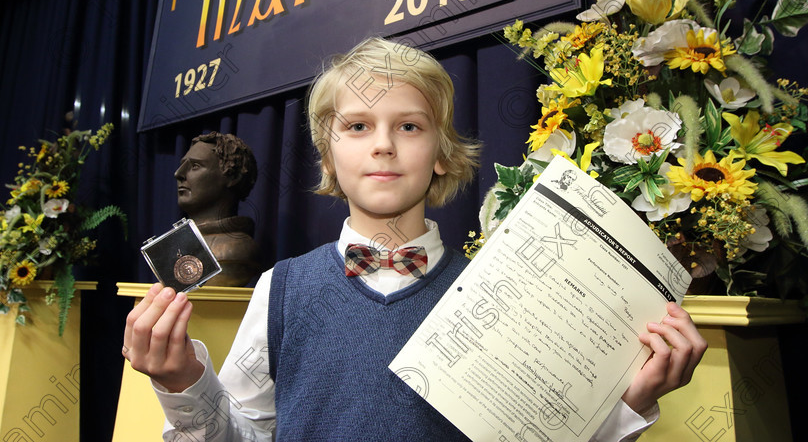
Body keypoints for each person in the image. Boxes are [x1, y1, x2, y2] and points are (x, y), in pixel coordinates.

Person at [124, 37, 707, 441]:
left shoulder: (494, 292)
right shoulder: (282, 289)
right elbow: (240, 437)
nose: (383, 144)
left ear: (441, 154)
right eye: (357, 126)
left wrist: (634, 401)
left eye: (409, 125)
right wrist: (182, 381)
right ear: (329, 154)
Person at [174, 132, 261, 286]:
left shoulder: (233, 250)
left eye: (195, 166)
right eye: (182, 165)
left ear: (232, 177)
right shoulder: (178, 244)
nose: (178, 174)